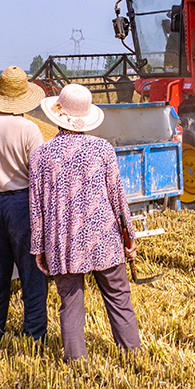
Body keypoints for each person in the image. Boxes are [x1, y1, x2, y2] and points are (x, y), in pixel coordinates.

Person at [29, 84, 141, 360]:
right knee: (119, 299)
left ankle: (77, 363)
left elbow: (36, 208)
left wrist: (38, 248)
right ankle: (132, 355)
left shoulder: (41, 155)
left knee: (70, 305)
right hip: (104, 238)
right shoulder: (102, 149)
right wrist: (130, 237)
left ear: (58, 114)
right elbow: (118, 199)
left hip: (64, 243)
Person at [0, 66, 49, 344]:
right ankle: (34, 335)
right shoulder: (30, 129)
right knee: (31, 271)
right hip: (22, 202)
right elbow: (38, 169)